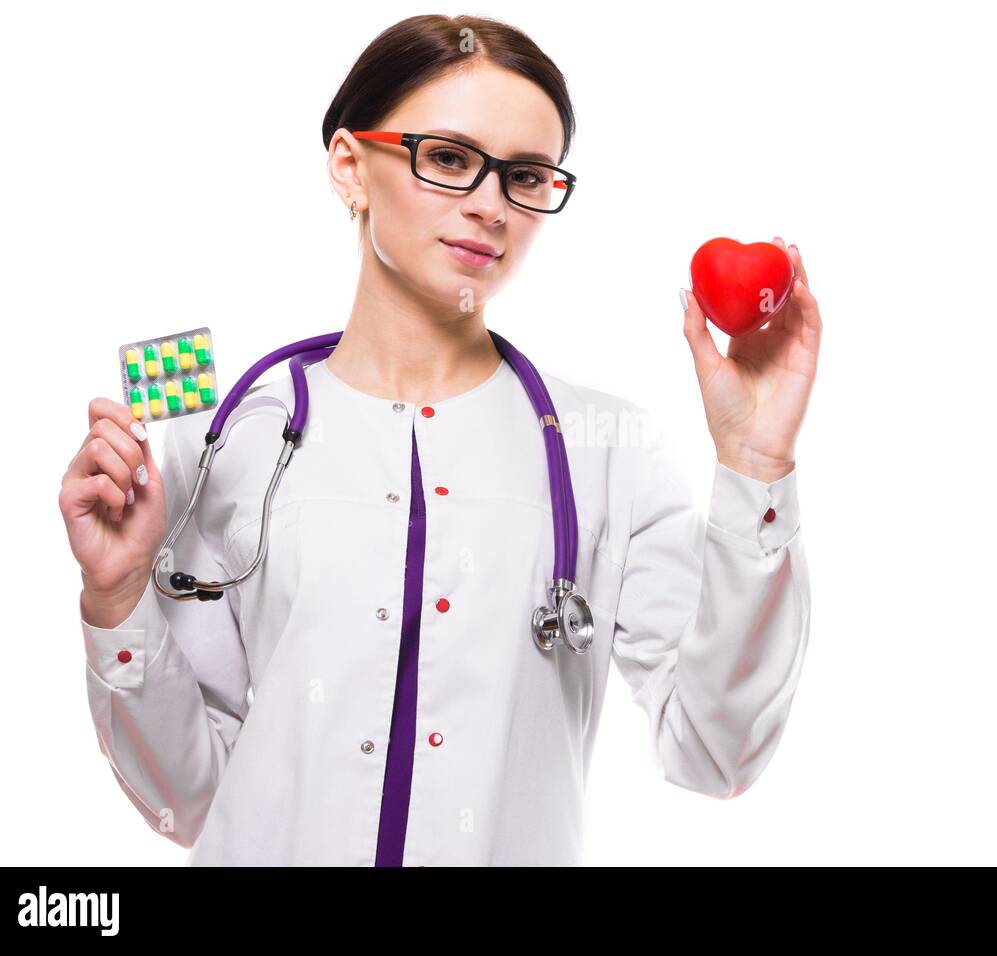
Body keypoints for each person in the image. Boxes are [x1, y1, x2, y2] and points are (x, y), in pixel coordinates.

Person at [58, 13, 821, 866]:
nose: (491, 206)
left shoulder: (612, 453)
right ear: (352, 166)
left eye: (526, 176)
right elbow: (189, 801)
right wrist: (119, 597)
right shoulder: (226, 441)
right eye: (450, 159)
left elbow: (716, 755)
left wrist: (757, 467)